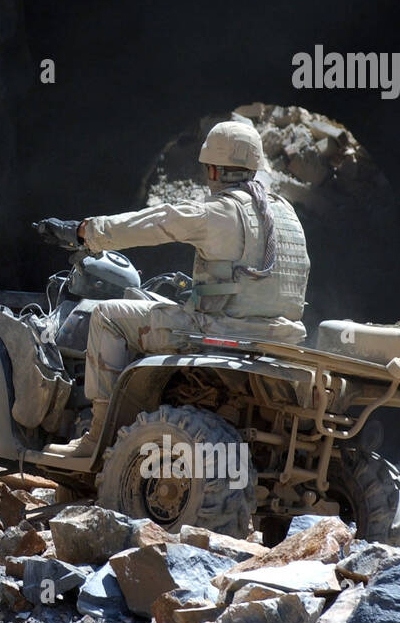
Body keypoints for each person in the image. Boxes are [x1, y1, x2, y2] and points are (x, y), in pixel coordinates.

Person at [37, 120, 310, 458]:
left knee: (108, 315)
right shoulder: (286, 213)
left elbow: (152, 224)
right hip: (281, 340)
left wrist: (84, 233)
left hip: (220, 331)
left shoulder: (215, 212)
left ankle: (98, 437)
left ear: (212, 169)